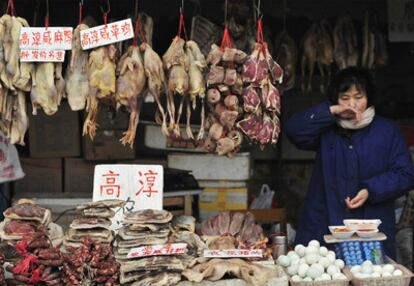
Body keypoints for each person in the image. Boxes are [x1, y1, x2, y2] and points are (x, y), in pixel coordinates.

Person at [285, 67, 414, 258]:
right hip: (324, 225)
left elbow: (406, 174)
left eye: (358, 97)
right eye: (344, 98)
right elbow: (294, 130)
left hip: (370, 228)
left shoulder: (387, 131)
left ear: (369, 98)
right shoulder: (326, 129)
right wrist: (331, 111)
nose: (351, 104)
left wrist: (371, 190)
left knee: (370, 275)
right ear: (335, 99)